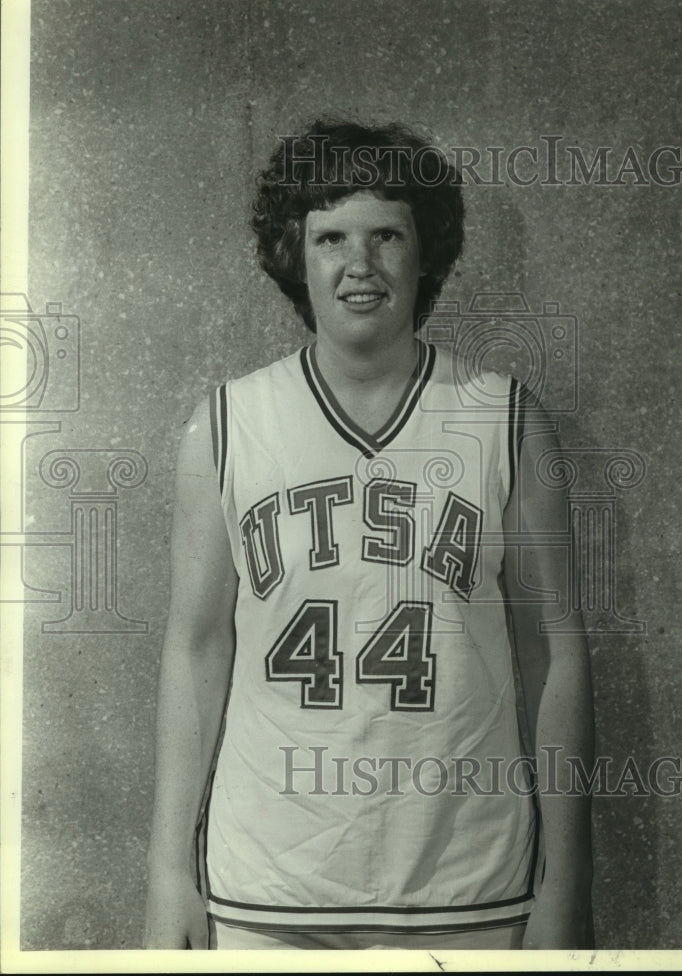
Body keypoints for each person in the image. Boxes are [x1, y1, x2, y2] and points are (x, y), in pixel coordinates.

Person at [144, 118, 594, 951]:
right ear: (294, 254)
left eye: (387, 233)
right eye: (331, 237)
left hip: (470, 887)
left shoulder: (504, 418)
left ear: (426, 253)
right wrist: (170, 872)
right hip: (267, 889)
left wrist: (567, 882)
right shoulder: (225, 425)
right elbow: (197, 648)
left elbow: (554, 650)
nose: (360, 264)